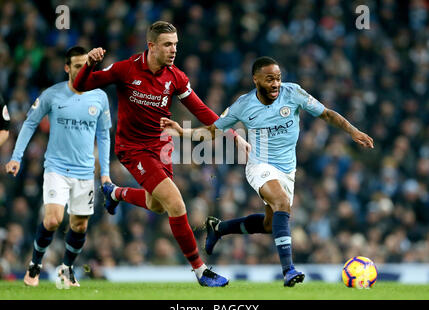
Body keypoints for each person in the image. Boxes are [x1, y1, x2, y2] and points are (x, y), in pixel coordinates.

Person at [160, 56, 374, 287]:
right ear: (256, 80)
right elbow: (212, 131)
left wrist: (353, 131)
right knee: (282, 203)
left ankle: (219, 228)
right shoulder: (243, 105)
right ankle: (288, 270)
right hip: (259, 165)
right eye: (269, 79)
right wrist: (182, 132)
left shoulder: (293, 93)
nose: (275, 84)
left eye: (278, 78)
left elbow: (327, 114)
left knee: (270, 225)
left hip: (287, 170)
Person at [73, 21, 249, 287]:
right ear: (152, 46)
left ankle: (115, 192)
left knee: (157, 204)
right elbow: (81, 85)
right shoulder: (125, 69)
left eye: (176, 44)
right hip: (133, 149)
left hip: (161, 147)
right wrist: (89, 64)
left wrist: (233, 136)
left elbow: (201, 110)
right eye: (168, 44)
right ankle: (201, 271)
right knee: (176, 205)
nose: (173, 50)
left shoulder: (176, 77)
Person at [5, 46, 112, 287]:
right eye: (77, 65)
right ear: (67, 68)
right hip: (56, 168)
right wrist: (16, 157)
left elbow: (104, 136)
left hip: (85, 173)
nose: (82, 69)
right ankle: (35, 264)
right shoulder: (52, 94)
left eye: (86, 65)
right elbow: (30, 123)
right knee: (53, 219)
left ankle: (67, 269)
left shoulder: (99, 97)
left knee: (79, 225)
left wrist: (104, 173)